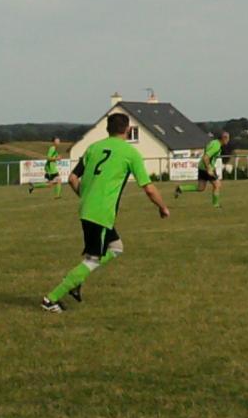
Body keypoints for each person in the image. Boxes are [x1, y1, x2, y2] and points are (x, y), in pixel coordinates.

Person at [42, 113, 170, 312]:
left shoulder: (93, 148)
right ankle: (51, 298)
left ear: (107, 129)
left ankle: (77, 280)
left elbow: (72, 178)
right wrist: (163, 207)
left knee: (116, 247)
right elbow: (149, 188)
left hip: (88, 209)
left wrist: (86, 198)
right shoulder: (130, 153)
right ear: (127, 130)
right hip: (101, 213)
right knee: (92, 259)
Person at [174, 131, 230, 208]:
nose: (228, 140)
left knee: (201, 188)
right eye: (228, 138)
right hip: (207, 168)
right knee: (217, 185)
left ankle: (180, 188)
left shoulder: (213, 142)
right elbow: (206, 157)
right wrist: (208, 169)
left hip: (201, 167)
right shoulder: (216, 146)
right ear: (224, 138)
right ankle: (216, 205)